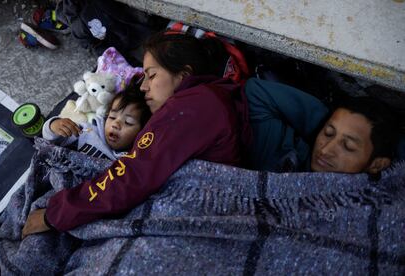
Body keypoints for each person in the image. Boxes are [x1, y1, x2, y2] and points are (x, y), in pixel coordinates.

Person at [21, 31, 250, 236]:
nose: (143, 86)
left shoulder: (191, 106)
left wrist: (56, 214)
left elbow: (134, 175)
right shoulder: (210, 98)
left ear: (183, 75)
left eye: (151, 75)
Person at [245, 78, 399, 174]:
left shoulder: (384, 197)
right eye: (328, 133)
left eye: (348, 146)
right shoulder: (284, 154)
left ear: (377, 164)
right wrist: (324, 120)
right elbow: (256, 92)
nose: (325, 150)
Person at [42, 87, 151, 160]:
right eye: (112, 117)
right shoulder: (87, 131)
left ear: (142, 131)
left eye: (128, 122)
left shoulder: (129, 160)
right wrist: (54, 126)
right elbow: (49, 142)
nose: (115, 124)